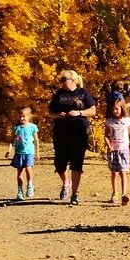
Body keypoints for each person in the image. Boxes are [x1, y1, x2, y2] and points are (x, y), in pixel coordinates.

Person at [48, 69, 96, 205]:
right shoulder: (59, 94)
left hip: (79, 131)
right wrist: (58, 115)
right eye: (61, 80)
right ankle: (66, 182)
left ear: (73, 80)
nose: (62, 82)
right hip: (61, 132)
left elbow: (93, 110)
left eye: (64, 80)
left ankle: (74, 194)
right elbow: (50, 112)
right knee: (60, 163)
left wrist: (79, 112)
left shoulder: (83, 93)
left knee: (76, 163)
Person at [104, 98, 130, 205]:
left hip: (123, 149)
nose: (115, 111)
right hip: (113, 150)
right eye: (113, 109)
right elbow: (106, 135)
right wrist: (108, 144)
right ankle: (114, 193)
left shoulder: (126, 120)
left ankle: (124, 195)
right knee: (114, 173)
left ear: (121, 108)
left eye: (117, 109)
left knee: (123, 172)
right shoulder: (109, 121)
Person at [4, 106, 40, 200]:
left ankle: (30, 186)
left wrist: (37, 153)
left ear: (29, 117)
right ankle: (20, 191)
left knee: (28, 169)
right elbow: (12, 140)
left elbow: (36, 140)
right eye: (20, 116)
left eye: (24, 116)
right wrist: (9, 150)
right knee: (20, 173)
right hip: (19, 153)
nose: (22, 118)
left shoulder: (33, 127)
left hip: (29, 152)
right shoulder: (16, 128)